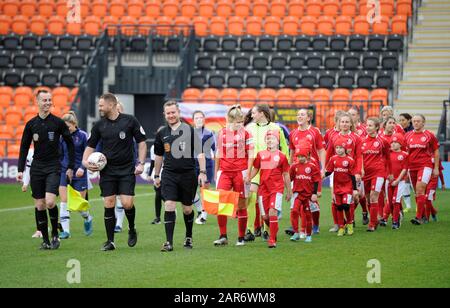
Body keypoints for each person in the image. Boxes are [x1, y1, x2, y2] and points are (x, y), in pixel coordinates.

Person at [83, 93, 147, 251]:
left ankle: (131, 229)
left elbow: (142, 142)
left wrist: (141, 163)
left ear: (111, 105)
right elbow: (90, 146)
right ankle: (110, 241)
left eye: (101, 105)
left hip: (127, 169)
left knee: (127, 203)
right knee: (109, 203)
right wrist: (85, 162)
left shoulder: (130, 121)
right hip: (108, 171)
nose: (99, 108)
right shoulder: (98, 125)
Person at [17, 89, 75, 250]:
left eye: (50, 100)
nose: (48, 103)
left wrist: (70, 166)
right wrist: (20, 169)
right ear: (37, 102)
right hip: (37, 167)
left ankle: (55, 234)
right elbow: (23, 148)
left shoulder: (57, 123)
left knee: (50, 202)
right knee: (40, 205)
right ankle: (45, 241)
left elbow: (70, 143)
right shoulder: (31, 124)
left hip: (53, 166)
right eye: (45, 100)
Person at [153, 101, 207, 252]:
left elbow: (200, 153)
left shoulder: (189, 130)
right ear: (164, 115)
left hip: (188, 175)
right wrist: (156, 175)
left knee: (187, 209)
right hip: (169, 174)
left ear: (179, 113)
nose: (171, 115)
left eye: (173, 112)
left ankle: (188, 236)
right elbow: (158, 156)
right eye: (168, 113)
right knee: (169, 204)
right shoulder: (161, 133)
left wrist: (202, 172)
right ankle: (168, 242)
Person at [245, 104, 289, 241]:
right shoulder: (249, 128)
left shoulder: (276, 128)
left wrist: (284, 167)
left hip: (270, 170)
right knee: (251, 198)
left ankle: (267, 229)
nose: (251, 116)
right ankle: (250, 230)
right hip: (254, 168)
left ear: (262, 113)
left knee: (266, 201)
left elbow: (284, 148)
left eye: (254, 113)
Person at [214, 105, 254, 246]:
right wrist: (216, 172)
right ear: (229, 120)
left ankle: (241, 237)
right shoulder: (222, 133)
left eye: (241, 121)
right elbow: (218, 153)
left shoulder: (247, 134)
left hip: (241, 172)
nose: (239, 124)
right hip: (224, 172)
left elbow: (251, 155)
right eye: (236, 121)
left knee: (242, 205)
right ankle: (223, 235)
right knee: (221, 204)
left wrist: (248, 173)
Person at [249, 130, 292, 248]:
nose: (269, 140)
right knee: (265, 217)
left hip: (276, 189)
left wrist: (289, 191)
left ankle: (272, 239)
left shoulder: (282, 156)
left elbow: (286, 174)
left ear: (277, 141)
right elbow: (256, 169)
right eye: (267, 139)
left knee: (272, 212)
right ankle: (274, 230)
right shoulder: (260, 154)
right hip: (263, 189)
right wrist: (248, 178)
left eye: (272, 138)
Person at [288, 109, 326, 235]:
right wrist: (289, 168)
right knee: (298, 199)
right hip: (298, 171)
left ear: (308, 118)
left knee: (312, 200)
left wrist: (323, 167)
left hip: (311, 170)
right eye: (298, 114)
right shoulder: (293, 133)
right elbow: (292, 153)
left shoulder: (314, 131)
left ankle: (315, 224)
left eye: (302, 114)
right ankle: (301, 228)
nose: (299, 116)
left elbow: (321, 150)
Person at [326, 112, 364, 229]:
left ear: (351, 124)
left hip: (350, 173)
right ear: (338, 123)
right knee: (335, 198)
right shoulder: (334, 137)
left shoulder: (356, 138)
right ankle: (338, 224)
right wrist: (326, 169)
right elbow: (328, 154)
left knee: (354, 198)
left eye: (347, 122)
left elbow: (358, 156)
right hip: (336, 171)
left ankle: (350, 221)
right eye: (342, 122)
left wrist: (357, 171)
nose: (344, 124)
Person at [59, 111, 93, 239]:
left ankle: (87, 217)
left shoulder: (83, 136)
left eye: (67, 127)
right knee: (64, 202)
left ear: (74, 124)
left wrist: (82, 168)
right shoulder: (61, 137)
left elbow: (88, 153)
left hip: (80, 173)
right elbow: (60, 155)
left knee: (78, 205)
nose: (65, 130)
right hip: (64, 171)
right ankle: (66, 231)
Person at [405, 114, 440, 225]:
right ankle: (429, 212)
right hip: (411, 167)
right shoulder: (408, 135)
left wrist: (436, 168)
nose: (416, 123)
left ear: (423, 123)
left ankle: (418, 217)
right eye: (414, 121)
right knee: (417, 193)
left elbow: (436, 151)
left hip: (425, 166)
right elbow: (406, 153)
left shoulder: (429, 135)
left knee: (420, 189)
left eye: (418, 121)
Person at [361, 117, 392, 232]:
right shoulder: (362, 141)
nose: (367, 127)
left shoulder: (382, 141)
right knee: (368, 199)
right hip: (366, 174)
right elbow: (359, 158)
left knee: (374, 196)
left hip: (378, 173)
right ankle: (375, 219)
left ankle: (372, 224)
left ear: (377, 127)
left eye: (370, 125)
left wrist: (390, 173)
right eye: (367, 125)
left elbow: (388, 158)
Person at [324, 136, 358, 236]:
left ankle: (350, 224)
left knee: (346, 206)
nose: (338, 150)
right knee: (338, 207)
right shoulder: (333, 159)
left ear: (345, 149)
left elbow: (352, 175)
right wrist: (321, 176)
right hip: (337, 187)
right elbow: (329, 172)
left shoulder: (350, 160)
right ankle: (341, 227)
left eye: (341, 148)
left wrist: (355, 189)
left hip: (347, 187)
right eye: (337, 148)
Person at [289, 146, 320, 243]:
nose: (300, 158)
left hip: (308, 196)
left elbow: (316, 181)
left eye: (302, 156)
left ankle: (308, 235)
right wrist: (287, 190)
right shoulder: (294, 166)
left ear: (307, 156)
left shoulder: (312, 167)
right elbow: (289, 178)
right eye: (298, 156)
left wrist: (314, 193)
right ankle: (296, 233)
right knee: (294, 211)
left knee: (307, 215)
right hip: (297, 194)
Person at [192, 110, 216, 225]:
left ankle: (204, 215)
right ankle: (199, 210)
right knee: (190, 190)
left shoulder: (209, 133)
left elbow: (216, 150)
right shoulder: (189, 133)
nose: (199, 119)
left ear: (204, 119)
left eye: (201, 117)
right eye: (197, 118)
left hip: (206, 164)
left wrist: (218, 167)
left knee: (204, 190)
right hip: (192, 164)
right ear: (193, 120)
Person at [382, 134, 408, 229]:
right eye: (392, 142)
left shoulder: (404, 155)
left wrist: (397, 180)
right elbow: (384, 167)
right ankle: (394, 217)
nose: (393, 144)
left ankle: (395, 221)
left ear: (400, 144)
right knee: (389, 201)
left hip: (400, 182)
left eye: (396, 142)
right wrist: (387, 177)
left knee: (395, 201)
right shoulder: (387, 154)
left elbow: (405, 169)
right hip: (388, 181)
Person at [149, 142, 163, 225]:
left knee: (167, 195)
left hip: (170, 172)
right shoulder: (154, 147)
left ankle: (172, 213)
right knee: (158, 195)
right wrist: (152, 174)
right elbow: (152, 161)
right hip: (158, 173)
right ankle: (157, 217)